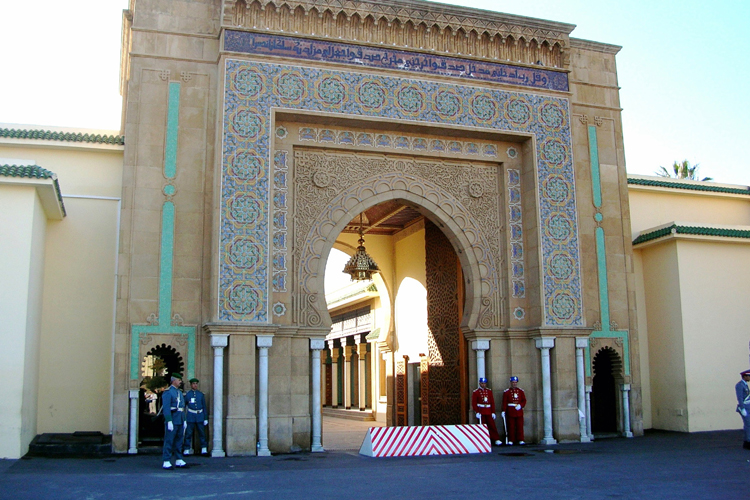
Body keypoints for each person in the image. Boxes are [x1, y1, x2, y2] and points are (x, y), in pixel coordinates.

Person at [161, 373, 187, 469]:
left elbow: (182, 408)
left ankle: (179, 459)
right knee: (169, 440)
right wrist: (169, 421)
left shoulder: (179, 392)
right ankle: (166, 460)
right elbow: (166, 408)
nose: (180, 382)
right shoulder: (168, 392)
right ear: (174, 380)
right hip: (173, 419)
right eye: (179, 380)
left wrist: (184, 420)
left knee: (179, 440)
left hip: (179, 419)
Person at [472, 377, 502, 446]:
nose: (483, 385)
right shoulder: (476, 392)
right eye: (482, 383)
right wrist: (476, 412)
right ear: (479, 383)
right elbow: (474, 403)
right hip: (481, 411)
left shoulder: (489, 391)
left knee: (492, 426)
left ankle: (496, 439)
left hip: (488, 411)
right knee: (482, 426)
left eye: (484, 383)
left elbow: (492, 402)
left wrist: (493, 412)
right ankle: (482, 440)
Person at [183, 378, 209, 455]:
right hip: (191, 415)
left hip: (199, 415)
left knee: (202, 433)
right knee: (188, 433)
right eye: (194, 384)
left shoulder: (200, 394)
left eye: (196, 384)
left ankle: (204, 448)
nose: (195, 385)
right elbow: (184, 406)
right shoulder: (188, 395)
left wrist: (205, 418)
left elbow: (204, 407)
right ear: (191, 385)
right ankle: (187, 448)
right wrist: (184, 418)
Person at [502, 376, 526, 445]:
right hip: (511, 410)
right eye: (513, 382)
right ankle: (511, 440)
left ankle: (520, 439)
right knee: (511, 426)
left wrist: (521, 405)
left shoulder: (521, 391)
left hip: (518, 410)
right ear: (511, 383)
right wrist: (503, 410)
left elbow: (524, 400)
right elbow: (504, 402)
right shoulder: (507, 392)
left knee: (520, 426)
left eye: (515, 382)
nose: (514, 384)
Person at [736, 369, 750, 450]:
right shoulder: (739, 385)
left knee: (747, 425)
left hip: (748, 407)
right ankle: (748, 441)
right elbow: (740, 398)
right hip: (744, 408)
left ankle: (746, 441)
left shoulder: (745, 385)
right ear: (744, 376)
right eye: (748, 376)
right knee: (749, 425)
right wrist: (742, 408)